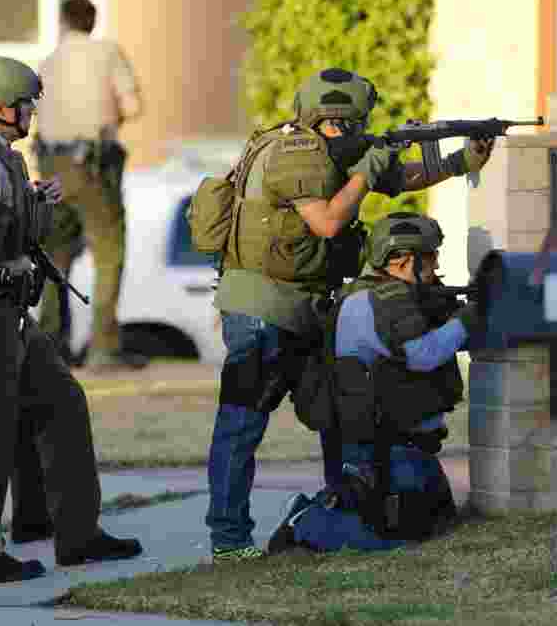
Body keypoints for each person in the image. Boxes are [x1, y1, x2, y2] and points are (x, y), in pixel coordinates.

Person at [201, 68, 495, 563]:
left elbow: (397, 177)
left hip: (302, 306)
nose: (364, 130)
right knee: (242, 424)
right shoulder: (293, 154)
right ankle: (229, 540)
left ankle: (347, 510)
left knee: (339, 410)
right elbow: (329, 221)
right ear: (335, 120)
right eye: (358, 123)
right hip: (263, 310)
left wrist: (464, 157)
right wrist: (370, 165)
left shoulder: (325, 152)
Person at [0, 57, 143, 584]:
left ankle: (78, 535)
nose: (31, 112)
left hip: (10, 310)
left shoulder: (0, 161)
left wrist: (34, 202)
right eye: (24, 103)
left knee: (62, 401)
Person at [268, 212, 481, 554]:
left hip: (397, 443)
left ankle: (335, 509)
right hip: (376, 446)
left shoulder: (377, 295)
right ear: (401, 260)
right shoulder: (380, 301)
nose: (436, 263)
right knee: (397, 539)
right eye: (430, 256)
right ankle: (305, 522)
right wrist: (467, 320)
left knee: (438, 524)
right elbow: (423, 354)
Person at [34, 0, 146, 372]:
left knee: (53, 256)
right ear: (93, 22)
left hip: (51, 164)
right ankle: (103, 347)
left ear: (63, 22)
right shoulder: (107, 52)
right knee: (108, 253)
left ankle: (50, 344)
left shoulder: (47, 62)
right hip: (93, 166)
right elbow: (132, 107)